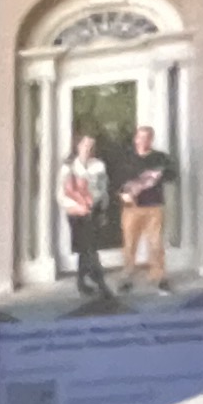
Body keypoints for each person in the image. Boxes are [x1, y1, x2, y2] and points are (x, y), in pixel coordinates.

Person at [62, 121, 118, 302]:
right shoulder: (68, 166)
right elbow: (63, 191)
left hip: (94, 211)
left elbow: (103, 189)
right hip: (76, 212)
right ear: (78, 145)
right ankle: (101, 283)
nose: (88, 149)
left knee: (87, 248)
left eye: (91, 146)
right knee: (88, 248)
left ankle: (81, 282)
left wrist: (103, 209)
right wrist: (77, 206)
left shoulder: (98, 165)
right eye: (85, 145)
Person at [121, 115, 174, 287]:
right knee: (129, 243)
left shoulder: (160, 158)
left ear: (151, 139)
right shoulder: (127, 158)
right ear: (135, 139)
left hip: (154, 206)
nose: (143, 140)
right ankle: (127, 276)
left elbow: (172, 176)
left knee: (156, 243)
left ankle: (159, 276)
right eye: (140, 137)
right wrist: (122, 194)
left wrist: (158, 176)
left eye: (147, 137)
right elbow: (117, 179)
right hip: (131, 207)